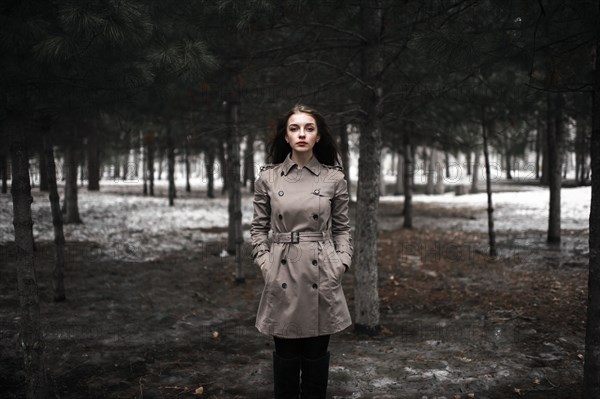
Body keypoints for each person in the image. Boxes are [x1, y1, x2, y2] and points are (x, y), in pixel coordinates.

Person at [250, 104, 353, 399]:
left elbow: (343, 229)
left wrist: (341, 264)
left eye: (309, 128)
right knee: (285, 362)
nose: (302, 134)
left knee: (315, 363)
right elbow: (258, 230)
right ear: (286, 136)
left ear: (318, 136)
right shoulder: (268, 178)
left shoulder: (334, 179)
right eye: (294, 128)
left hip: (322, 272)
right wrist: (266, 266)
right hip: (282, 270)